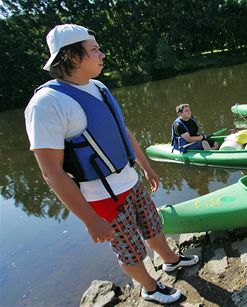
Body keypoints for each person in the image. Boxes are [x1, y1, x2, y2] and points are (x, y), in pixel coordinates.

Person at [24, 24, 199, 304]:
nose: (102, 54)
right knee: (128, 248)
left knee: (152, 226)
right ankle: (150, 288)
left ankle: (170, 260)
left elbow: (123, 131)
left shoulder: (99, 87)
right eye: (94, 49)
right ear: (71, 57)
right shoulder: (46, 104)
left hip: (130, 179)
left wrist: (146, 166)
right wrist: (90, 220)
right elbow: (51, 172)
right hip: (102, 195)